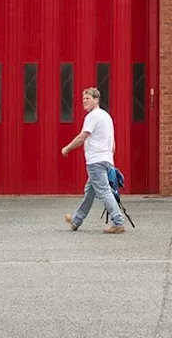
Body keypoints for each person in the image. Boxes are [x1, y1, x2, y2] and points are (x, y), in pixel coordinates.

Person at [61, 87, 126, 234]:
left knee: (103, 191)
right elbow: (113, 143)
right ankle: (76, 221)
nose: (84, 101)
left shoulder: (92, 116)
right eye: (83, 99)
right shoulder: (106, 116)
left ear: (96, 100)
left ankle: (118, 222)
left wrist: (67, 148)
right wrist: (110, 160)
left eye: (88, 98)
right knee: (90, 191)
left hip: (95, 161)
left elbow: (82, 137)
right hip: (106, 159)